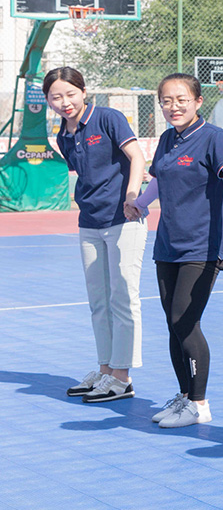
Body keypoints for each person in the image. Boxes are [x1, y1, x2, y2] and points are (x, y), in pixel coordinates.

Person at [127, 73, 223, 429]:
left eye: (181, 100)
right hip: (168, 245)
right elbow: (158, 180)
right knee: (173, 323)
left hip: (202, 247)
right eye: (166, 101)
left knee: (185, 320)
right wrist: (138, 203)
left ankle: (199, 403)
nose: (174, 107)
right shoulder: (168, 138)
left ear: (198, 101)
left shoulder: (212, 137)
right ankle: (184, 396)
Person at [46, 67, 148, 404]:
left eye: (70, 94)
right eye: (56, 97)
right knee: (99, 302)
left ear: (83, 92)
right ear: (48, 101)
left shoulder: (108, 118)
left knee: (123, 298)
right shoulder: (63, 136)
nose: (65, 102)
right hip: (89, 223)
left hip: (124, 219)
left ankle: (122, 377)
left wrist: (132, 196)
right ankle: (106, 370)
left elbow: (137, 157)